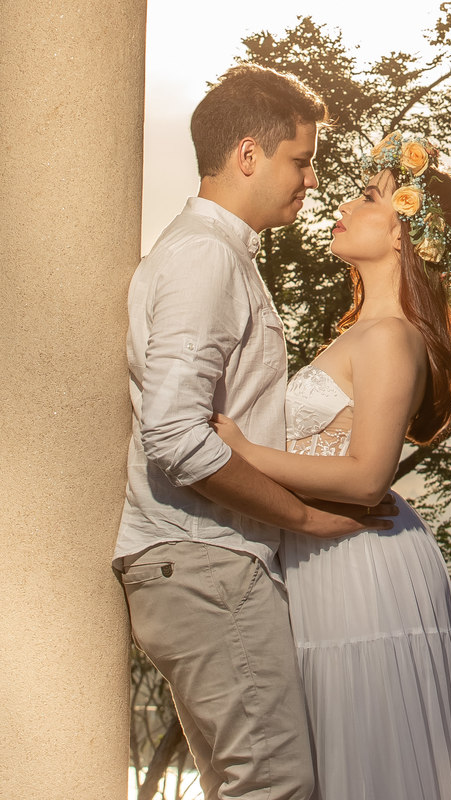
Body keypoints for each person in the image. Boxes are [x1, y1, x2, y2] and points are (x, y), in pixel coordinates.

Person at [114, 64, 394, 800]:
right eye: (299, 160)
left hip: (204, 567)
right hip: (208, 565)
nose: (309, 181)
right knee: (273, 788)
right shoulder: (206, 257)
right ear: (248, 154)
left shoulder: (218, 253)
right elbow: (174, 436)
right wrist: (301, 516)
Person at [211, 131, 451, 800]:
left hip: (361, 563)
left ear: (402, 236)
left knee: (363, 764)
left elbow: (365, 476)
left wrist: (242, 452)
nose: (342, 204)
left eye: (367, 197)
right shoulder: (363, 332)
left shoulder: (391, 337)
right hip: (325, 555)